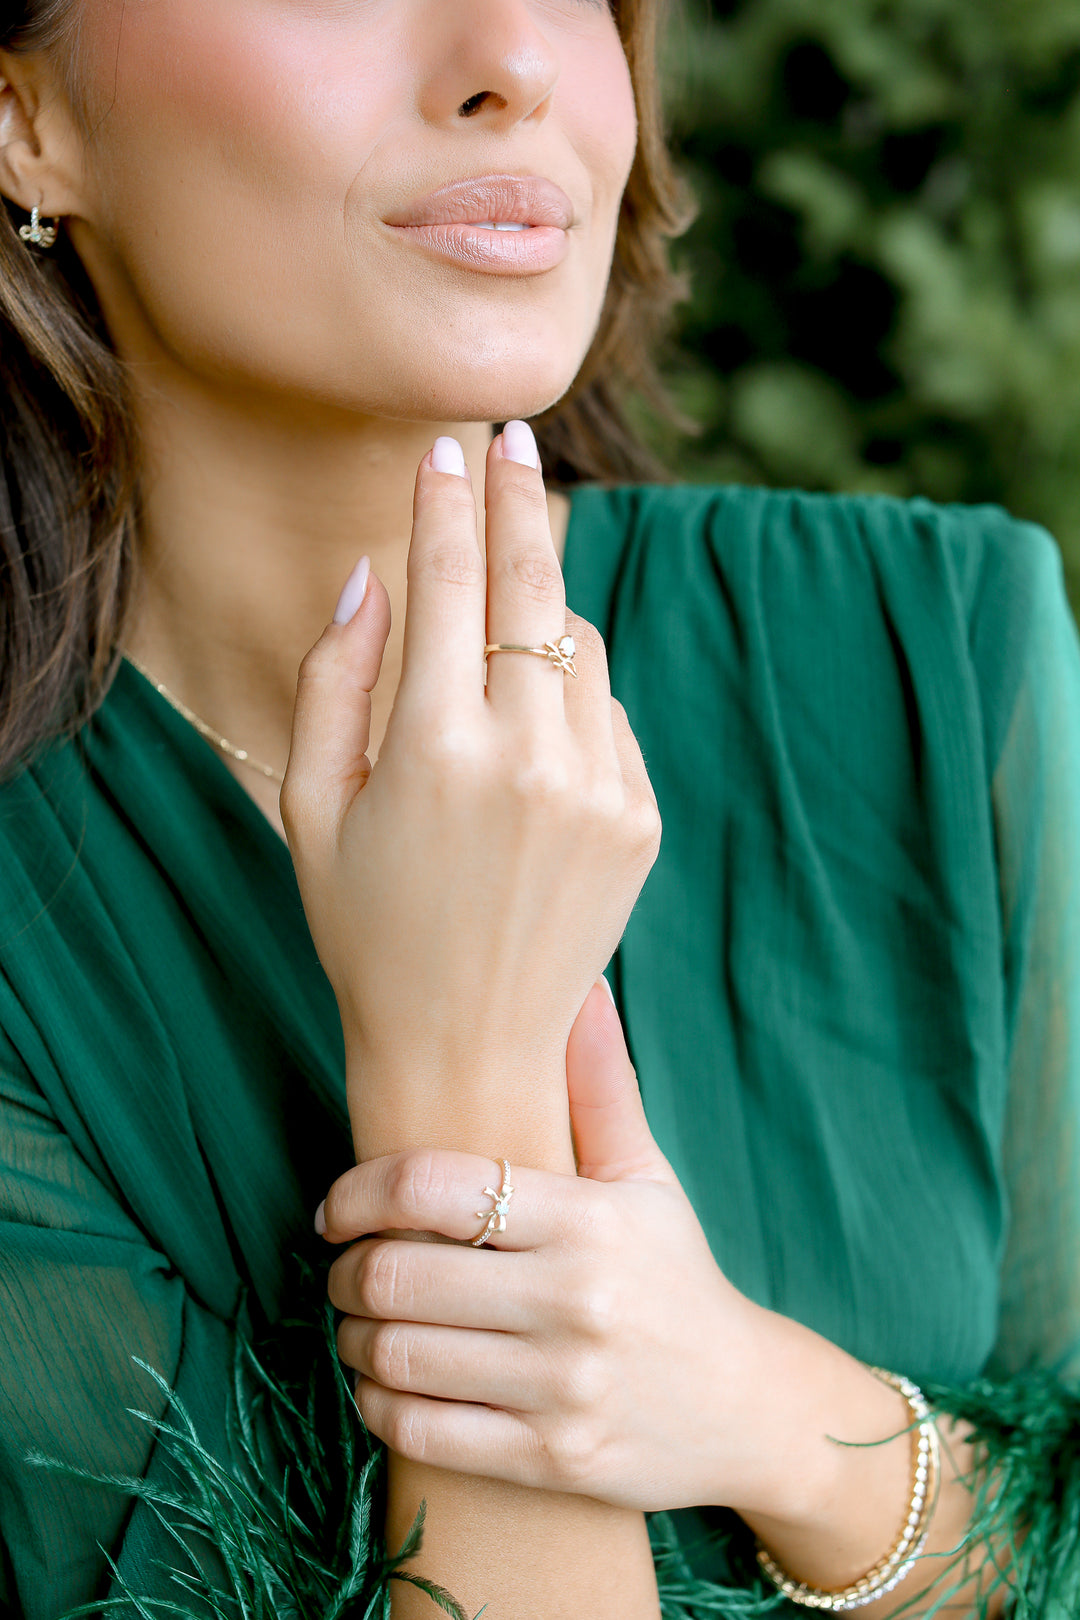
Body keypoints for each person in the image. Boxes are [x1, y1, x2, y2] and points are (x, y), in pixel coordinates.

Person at [0, 1, 1078, 1616]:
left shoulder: (938, 652)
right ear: (27, 121)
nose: (516, 51)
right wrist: (468, 1074)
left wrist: (767, 1413)